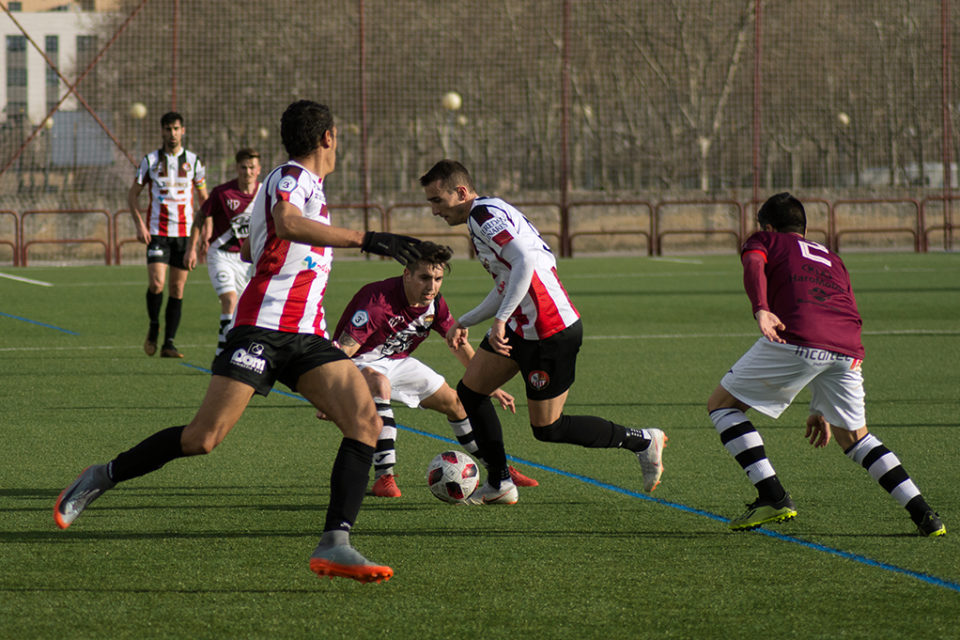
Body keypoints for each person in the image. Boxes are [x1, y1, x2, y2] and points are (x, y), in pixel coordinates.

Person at [54, 100, 424, 584]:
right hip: (263, 329)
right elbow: (287, 221)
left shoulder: (308, 185)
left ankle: (336, 542)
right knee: (202, 439)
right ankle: (100, 476)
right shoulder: (291, 174)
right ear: (328, 137)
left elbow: (262, 244)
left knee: (365, 421)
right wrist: (366, 237)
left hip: (307, 335)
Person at [419, 159, 666, 505]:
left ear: (461, 193)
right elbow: (509, 279)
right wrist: (467, 319)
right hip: (524, 327)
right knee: (471, 392)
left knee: (548, 429)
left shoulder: (482, 216)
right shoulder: (490, 211)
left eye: (437, 201)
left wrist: (500, 320)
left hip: (550, 330)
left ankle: (641, 440)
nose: (434, 211)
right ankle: (501, 481)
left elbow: (526, 262)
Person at [706, 192, 946, 536]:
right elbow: (841, 306)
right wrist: (822, 403)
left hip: (798, 336)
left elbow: (754, 263)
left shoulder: (765, 240)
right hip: (848, 348)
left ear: (769, 227)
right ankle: (925, 514)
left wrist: (760, 306)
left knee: (722, 406)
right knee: (857, 439)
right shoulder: (832, 257)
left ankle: (772, 495)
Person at [327, 240, 538, 499]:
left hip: (397, 360)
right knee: (380, 384)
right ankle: (384, 477)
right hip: (359, 362)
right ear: (407, 274)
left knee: (456, 402)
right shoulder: (378, 302)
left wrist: (489, 385)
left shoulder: (434, 303)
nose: (432, 286)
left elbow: (457, 344)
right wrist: (329, 393)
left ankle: (499, 469)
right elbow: (344, 350)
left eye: (438, 278)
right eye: (424, 278)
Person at [128, 111, 209, 359]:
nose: (172, 134)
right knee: (157, 283)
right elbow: (133, 196)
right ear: (161, 131)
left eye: (176, 129)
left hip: (185, 235)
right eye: (167, 129)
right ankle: (154, 325)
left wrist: (205, 233)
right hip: (157, 233)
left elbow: (205, 201)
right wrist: (139, 225)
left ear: (182, 131)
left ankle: (169, 344)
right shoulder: (150, 161)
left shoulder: (194, 162)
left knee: (177, 288)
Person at [186, 147, 262, 356]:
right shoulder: (223, 193)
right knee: (229, 300)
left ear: (258, 170)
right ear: (236, 168)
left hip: (249, 261)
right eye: (243, 167)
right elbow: (200, 217)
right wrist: (191, 249)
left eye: (251, 167)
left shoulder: (265, 193)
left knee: (246, 310)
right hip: (221, 255)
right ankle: (222, 354)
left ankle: (241, 350)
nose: (247, 172)